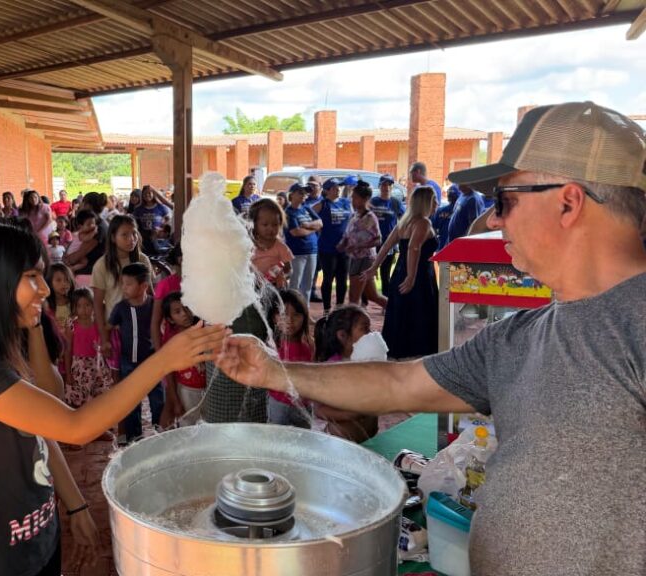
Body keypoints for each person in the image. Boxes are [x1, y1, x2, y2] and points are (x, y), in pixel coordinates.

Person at [219, 101, 646, 576]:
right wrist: (274, 370)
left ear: (568, 202)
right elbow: (400, 384)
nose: (495, 220)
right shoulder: (520, 337)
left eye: (505, 201)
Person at [0, 223, 226, 576]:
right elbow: (74, 427)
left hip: (38, 536)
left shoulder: (0, 339)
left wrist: (75, 504)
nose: (45, 288)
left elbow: (49, 404)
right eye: (31, 276)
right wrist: (163, 361)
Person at [365, 186, 439, 359]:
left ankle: (400, 351)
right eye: (433, 200)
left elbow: (385, 246)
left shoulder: (405, 222)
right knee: (418, 314)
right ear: (425, 203)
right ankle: (417, 352)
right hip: (417, 275)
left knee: (401, 313)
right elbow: (414, 248)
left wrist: (374, 267)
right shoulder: (423, 222)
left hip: (400, 273)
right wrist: (411, 276)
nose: (436, 203)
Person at [91, 215, 153, 367]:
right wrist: (105, 339)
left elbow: (151, 294)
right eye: (124, 235)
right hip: (117, 331)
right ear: (113, 237)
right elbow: (98, 305)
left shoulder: (143, 260)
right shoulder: (102, 265)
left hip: (143, 328)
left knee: (146, 374)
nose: (131, 238)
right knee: (121, 376)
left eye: (133, 233)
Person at [110, 263, 161, 445]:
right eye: (123, 284)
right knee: (132, 403)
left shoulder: (155, 305)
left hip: (152, 362)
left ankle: (161, 433)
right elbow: (110, 328)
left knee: (157, 400)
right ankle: (134, 440)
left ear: (144, 286)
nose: (124, 288)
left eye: (128, 284)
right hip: (127, 362)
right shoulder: (120, 308)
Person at [310, 306, 377, 442]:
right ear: (342, 336)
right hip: (339, 441)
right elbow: (319, 410)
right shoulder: (331, 369)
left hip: (367, 435)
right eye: (365, 328)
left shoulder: (366, 362)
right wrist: (350, 415)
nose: (371, 333)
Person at [264, 289, 313, 428]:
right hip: (278, 403)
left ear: (304, 317)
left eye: (296, 315)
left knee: (303, 438)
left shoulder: (309, 345)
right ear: (274, 317)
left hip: (304, 403)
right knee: (277, 438)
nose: (290, 320)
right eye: (283, 314)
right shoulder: (271, 344)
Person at [339, 182, 386, 309]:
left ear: (364, 199)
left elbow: (378, 239)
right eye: (352, 197)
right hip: (355, 258)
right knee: (373, 296)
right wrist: (343, 243)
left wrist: (358, 246)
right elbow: (348, 234)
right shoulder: (355, 216)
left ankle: (353, 325)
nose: (352, 200)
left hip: (364, 259)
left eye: (355, 197)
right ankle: (397, 311)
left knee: (354, 298)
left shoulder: (370, 217)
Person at [159, 291, 205, 424]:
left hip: (207, 390)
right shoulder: (173, 342)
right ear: (170, 319)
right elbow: (169, 374)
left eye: (186, 308)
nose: (184, 314)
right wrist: (175, 401)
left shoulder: (203, 331)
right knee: (188, 429)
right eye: (177, 312)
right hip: (186, 391)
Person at [63, 287, 112, 409]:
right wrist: (68, 373)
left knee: (100, 400)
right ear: (74, 308)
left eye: (88, 305)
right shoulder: (71, 324)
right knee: (78, 401)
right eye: (79, 306)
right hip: (79, 367)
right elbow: (68, 350)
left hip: (97, 365)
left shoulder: (98, 322)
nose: (84, 309)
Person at [313, 178, 353, 314]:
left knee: (342, 280)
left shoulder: (346, 203)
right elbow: (308, 213)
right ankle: (326, 309)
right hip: (327, 248)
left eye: (339, 188)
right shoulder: (323, 204)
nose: (338, 190)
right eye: (335, 188)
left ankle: (340, 307)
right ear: (327, 190)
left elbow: (353, 219)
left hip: (344, 248)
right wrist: (315, 227)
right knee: (328, 278)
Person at [284, 183, 322, 299]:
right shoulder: (289, 212)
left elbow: (320, 223)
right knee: (295, 284)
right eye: (300, 192)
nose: (304, 195)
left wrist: (307, 225)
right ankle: (291, 311)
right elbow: (296, 232)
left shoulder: (307, 209)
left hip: (312, 250)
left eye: (305, 193)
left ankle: (305, 312)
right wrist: (312, 230)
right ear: (292, 195)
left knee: (307, 286)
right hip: (297, 252)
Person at [370, 175, 405, 296]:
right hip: (374, 243)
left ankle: (386, 303)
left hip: (389, 243)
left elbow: (404, 219)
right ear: (380, 186)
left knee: (385, 274)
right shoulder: (373, 201)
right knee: (369, 272)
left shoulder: (395, 203)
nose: (387, 187)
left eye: (389, 185)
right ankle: (364, 301)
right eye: (384, 185)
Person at [249, 198, 293, 288]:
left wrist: (283, 276)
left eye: (275, 225)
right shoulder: (249, 246)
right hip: (252, 288)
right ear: (254, 224)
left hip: (274, 288)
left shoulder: (280, 247)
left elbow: (289, 269)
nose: (270, 229)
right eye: (265, 225)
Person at [63, 210, 97, 274]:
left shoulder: (83, 232)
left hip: (73, 252)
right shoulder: (81, 234)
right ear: (80, 226)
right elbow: (87, 239)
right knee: (85, 262)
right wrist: (94, 232)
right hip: (72, 252)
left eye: (94, 223)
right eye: (89, 224)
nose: (92, 226)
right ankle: (73, 268)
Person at [46, 262, 75, 328]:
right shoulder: (47, 304)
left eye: (66, 279)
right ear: (50, 282)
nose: (63, 284)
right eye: (58, 280)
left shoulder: (74, 301)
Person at [433, 184, 460, 251]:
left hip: (442, 246)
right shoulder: (461, 211)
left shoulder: (440, 210)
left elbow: (434, 228)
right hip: (456, 247)